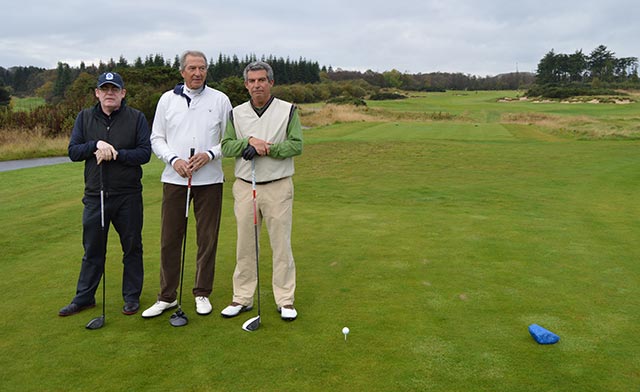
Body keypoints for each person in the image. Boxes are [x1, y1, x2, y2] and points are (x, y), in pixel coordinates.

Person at [143, 50, 232, 318]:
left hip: (210, 181)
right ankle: (167, 296)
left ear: (207, 71)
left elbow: (230, 140)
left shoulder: (220, 99)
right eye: (192, 68)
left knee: (207, 239)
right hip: (175, 180)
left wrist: (210, 154)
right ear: (182, 71)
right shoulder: (167, 100)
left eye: (202, 68)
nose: (197, 73)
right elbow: (156, 137)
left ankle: (202, 292)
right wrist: (173, 160)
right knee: (170, 239)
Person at [60, 72, 151, 317]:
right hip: (95, 196)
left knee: (132, 247)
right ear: (97, 93)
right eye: (105, 89)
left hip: (128, 196)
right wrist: (96, 145)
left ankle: (131, 297)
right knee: (93, 250)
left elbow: (144, 153)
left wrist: (117, 153)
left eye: (115, 89)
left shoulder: (136, 118)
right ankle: (84, 298)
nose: (109, 93)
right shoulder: (84, 117)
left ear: (123, 93)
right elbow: (73, 151)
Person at [220, 61, 303, 321]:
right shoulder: (236, 113)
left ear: (271, 82)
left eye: (262, 80)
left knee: (281, 245)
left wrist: (267, 148)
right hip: (246, 187)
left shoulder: (288, 110)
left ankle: (285, 300)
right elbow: (227, 146)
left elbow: (296, 145)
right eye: (252, 81)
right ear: (246, 85)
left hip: (278, 186)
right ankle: (242, 298)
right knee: (245, 245)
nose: (257, 85)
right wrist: (248, 142)